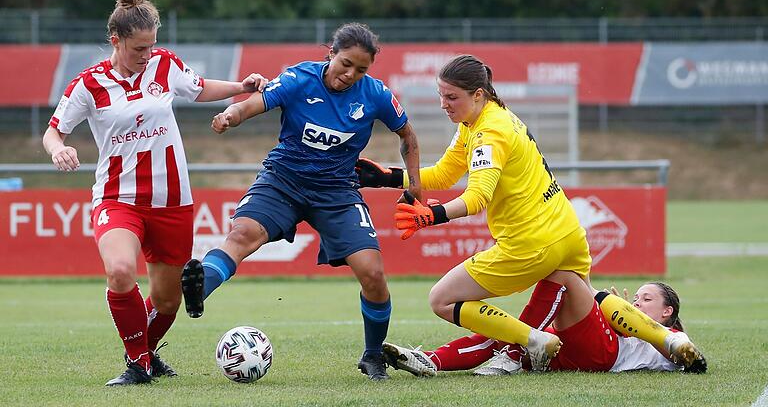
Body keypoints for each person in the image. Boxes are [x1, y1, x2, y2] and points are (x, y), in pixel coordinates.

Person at [357, 54, 705, 373]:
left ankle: (532, 343)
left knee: (442, 299)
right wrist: (391, 177)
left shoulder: (490, 132)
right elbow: (445, 174)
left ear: (478, 94)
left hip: (531, 242)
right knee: (590, 300)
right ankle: (669, 339)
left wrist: (432, 216)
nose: (443, 104)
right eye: (441, 95)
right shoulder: (484, 120)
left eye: (451, 97)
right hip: (568, 232)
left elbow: (477, 197)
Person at [42, 0, 268, 386]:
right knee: (121, 271)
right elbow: (54, 131)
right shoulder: (87, 85)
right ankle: (139, 364)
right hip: (117, 198)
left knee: (167, 300)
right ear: (116, 40)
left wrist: (241, 87)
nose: (147, 55)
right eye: (139, 48)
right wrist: (58, 149)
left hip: (173, 200)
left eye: (151, 46)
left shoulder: (164, 65)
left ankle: (146, 355)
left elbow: (199, 89)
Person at [180, 22, 422, 381]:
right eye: (345, 64)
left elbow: (408, 137)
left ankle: (372, 356)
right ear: (330, 53)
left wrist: (415, 188)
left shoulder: (377, 95)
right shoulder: (299, 78)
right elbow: (255, 103)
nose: (351, 74)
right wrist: (230, 116)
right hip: (283, 182)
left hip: (337, 192)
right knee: (243, 233)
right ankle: (200, 289)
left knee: (373, 274)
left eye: (361, 69)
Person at [381, 271, 707, 375]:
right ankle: (431, 360)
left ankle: (516, 352)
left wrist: (630, 323)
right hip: (568, 354)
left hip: (602, 354)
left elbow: (688, 361)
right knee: (510, 333)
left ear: (668, 312)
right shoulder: (625, 320)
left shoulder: (676, 334)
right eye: (635, 298)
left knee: (566, 275)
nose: (637, 303)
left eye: (646, 299)